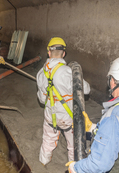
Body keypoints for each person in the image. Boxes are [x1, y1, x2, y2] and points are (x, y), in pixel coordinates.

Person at [36, 37, 90, 165]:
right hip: (68, 119)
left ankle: (43, 162)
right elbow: (86, 90)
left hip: (50, 117)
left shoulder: (40, 73)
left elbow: (42, 100)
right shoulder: (69, 72)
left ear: (48, 52)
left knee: (48, 141)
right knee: (73, 146)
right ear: (64, 53)